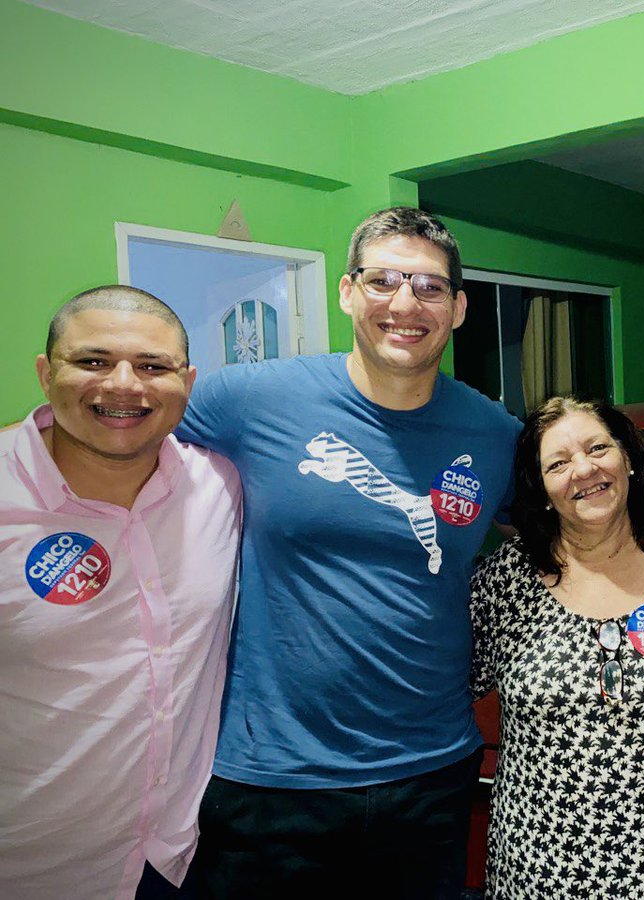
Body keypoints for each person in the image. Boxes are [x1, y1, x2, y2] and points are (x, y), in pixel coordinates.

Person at [178, 208, 521, 897]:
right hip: (273, 780)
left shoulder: (494, 432)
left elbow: (566, 538)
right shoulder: (248, 399)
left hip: (430, 775)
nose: (404, 303)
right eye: (383, 280)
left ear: (457, 309)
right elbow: (114, 445)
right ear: (346, 292)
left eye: (428, 287)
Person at [0, 286, 241, 900]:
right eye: (93, 361)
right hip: (31, 868)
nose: (124, 386)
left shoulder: (220, 486)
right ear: (44, 372)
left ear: (188, 382)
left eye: (153, 367)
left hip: (177, 858)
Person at [469, 397, 644, 899]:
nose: (584, 470)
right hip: (540, 870)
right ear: (542, 489)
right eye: (558, 462)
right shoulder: (506, 579)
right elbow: (441, 685)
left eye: (598, 448)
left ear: (628, 457)